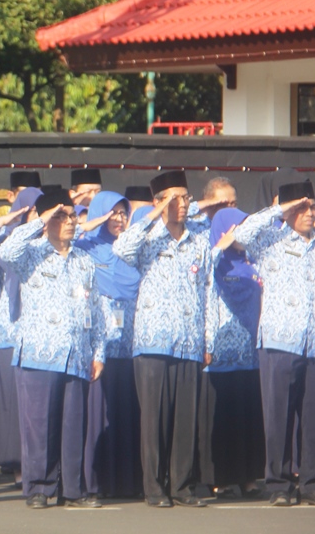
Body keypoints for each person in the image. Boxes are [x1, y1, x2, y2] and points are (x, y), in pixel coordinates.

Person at [113, 170, 220, 508]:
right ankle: (154, 487)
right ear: (158, 202)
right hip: (153, 341)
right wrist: (154, 214)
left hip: (189, 341)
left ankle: (182, 485)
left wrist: (208, 341)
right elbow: (121, 248)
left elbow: (208, 291)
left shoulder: (198, 240)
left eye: (185, 198)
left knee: (185, 420)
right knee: (154, 418)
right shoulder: (147, 237)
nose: (183, 204)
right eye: (174, 199)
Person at [234, 182, 315, 507]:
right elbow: (241, 236)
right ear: (289, 210)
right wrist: (279, 209)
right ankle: (279, 484)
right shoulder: (272, 240)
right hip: (281, 341)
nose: (311, 213)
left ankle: (312, 482)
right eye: (303, 207)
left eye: (313, 207)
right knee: (279, 416)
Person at [0, 188, 104, 509]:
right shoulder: (30, 253)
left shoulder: (84, 260)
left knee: (73, 425)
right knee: (39, 426)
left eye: (73, 216)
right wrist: (41, 219)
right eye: (63, 216)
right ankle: (39, 488)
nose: (71, 222)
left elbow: (96, 310)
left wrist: (98, 352)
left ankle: (73, 489)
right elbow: (6, 249)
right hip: (39, 353)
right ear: (47, 221)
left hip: (76, 353)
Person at [75, 191, 142, 500]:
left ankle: (127, 483)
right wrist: (89, 224)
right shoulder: (85, 249)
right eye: (112, 213)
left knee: (126, 413)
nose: (118, 219)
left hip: (128, 347)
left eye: (123, 213)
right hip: (98, 350)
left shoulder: (131, 251)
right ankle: (93, 482)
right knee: (97, 416)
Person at [0, 188, 42, 482]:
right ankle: (13, 464)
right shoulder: (6, 244)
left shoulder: (51, 244)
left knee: (33, 405)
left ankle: (34, 465)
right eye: (35, 211)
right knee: (9, 405)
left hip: (38, 334)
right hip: (8, 330)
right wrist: (3, 223)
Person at [199, 208, 263, 499]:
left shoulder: (252, 262)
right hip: (219, 356)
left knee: (247, 417)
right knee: (222, 418)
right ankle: (219, 478)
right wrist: (219, 246)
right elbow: (203, 282)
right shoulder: (212, 263)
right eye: (237, 228)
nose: (242, 235)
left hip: (249, 355)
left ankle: (248, 477)